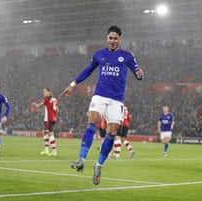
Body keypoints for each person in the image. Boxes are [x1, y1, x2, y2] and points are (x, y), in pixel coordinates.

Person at [59, 25, 144, 185]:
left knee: (112, 134)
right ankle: (81, 159)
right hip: (99, 95)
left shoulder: (127, 56)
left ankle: (98, 166)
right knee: (92, 123)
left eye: (115, 38)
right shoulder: (99, 55)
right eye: (110, 38)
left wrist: (140, 75)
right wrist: (72, 84)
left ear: (120, 39)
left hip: (117, 100)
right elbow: (88, 70)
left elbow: (137, 72)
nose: (112, 41)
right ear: (107, 38)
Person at [32, 87, 59, 156]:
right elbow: (57, 110)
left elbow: (38, 106)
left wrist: (34, 104)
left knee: (50, 134)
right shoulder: (54, 100)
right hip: (53, 119)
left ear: (49, 92)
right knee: (45, 132)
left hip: (48, 119)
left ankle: (54, 152)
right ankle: (47, 150)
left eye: (45, 92)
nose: (44, 93)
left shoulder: (46, 99)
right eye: (43, 92)